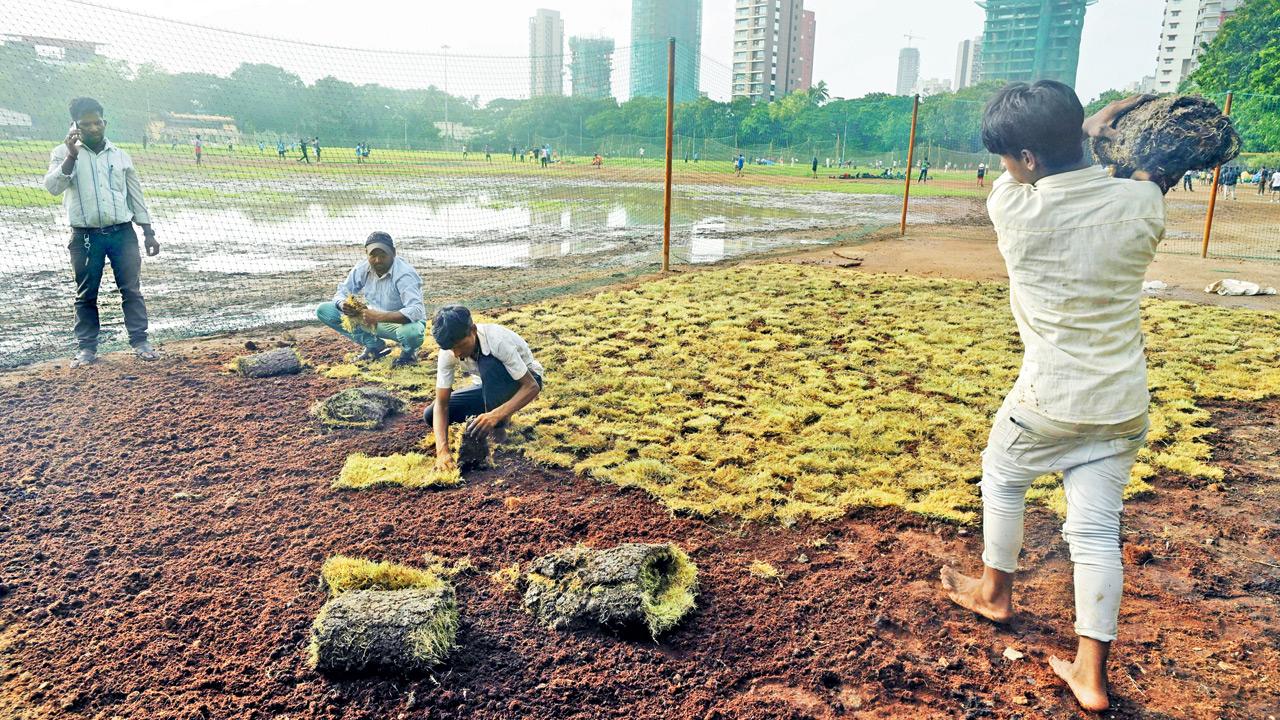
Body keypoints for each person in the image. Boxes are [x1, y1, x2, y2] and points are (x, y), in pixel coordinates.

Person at [939, 83, 1166, 713]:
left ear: (1029, 160)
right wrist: (1089, 134)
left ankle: (994, 594)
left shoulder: (1014, 208)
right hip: (1121, 405)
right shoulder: (1145, 204)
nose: (1006, 167)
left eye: (1010, 156)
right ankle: (1090, 678)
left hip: (1047, 399)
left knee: (1003, 477)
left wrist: (1088, 126)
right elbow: (1126, 178)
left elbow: (1049, 167)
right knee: (1094, 532)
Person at [44, 97, 161, 368]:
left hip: (122, 233)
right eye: (86, 124)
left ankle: (140, 342)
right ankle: (87, 349)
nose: (94, 128)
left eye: (98, 123)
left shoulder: (120, 155)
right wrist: (71, 156)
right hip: (85, 237)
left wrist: (148, 232)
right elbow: (52, 187)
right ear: (75, 126)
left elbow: (136, 197)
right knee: (86, 293)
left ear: (104, 122)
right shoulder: (62, 154)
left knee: (131, 290)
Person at [423, 305, 545, 471]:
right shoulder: (449, 352)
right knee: (430, 414)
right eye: (451, 349)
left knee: (488, 364)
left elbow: (532, 386)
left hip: (524, 380)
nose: (456, 353)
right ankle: (492, 416)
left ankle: (500, 432)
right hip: (487, 386)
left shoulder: (497, 340)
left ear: (472, 330)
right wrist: (442, 451)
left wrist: (496, 415)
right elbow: (442, 404)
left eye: (459, 345)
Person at [316, 231, 427, 367]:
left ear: (393, 252)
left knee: (412, 333)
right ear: (366, 253)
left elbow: (416, 311)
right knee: (324, 310)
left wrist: (380, 316)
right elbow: (342, 291)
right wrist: (343, 304)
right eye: (373, 255)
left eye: (383, 255)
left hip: (401, 325)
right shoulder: (363, 268)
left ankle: (409, 354)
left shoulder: (404, 274)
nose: (378, 260)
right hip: (371, 319)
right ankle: (374, 346)